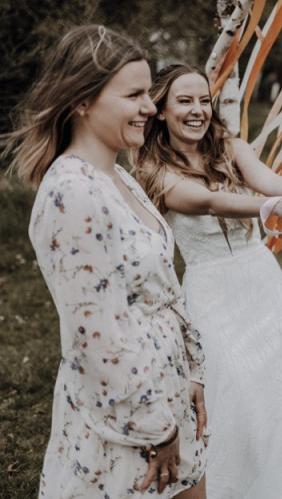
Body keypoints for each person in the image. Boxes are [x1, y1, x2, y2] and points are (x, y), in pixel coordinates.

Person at [132, 64, 282, 498]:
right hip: (210, 292)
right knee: (229, 391)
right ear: (160, 110)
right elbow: (206, 201)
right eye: (184, 101)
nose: (198, 110)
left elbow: (268, 180)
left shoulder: (228, 145)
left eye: (204, 100)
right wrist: (269, 207)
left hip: (262, 282)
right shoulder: (153, 169)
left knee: (279, 388)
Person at [5, 26, 208, 497]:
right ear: (82, 100)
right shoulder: (72, 192)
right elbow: (96, 337)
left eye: (148, 93)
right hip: (127, 419)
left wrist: (192, 371)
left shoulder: (119, 174)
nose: (151, 108)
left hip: (167, 391)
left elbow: (164, 288)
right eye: (134, 95)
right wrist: (156, 428)